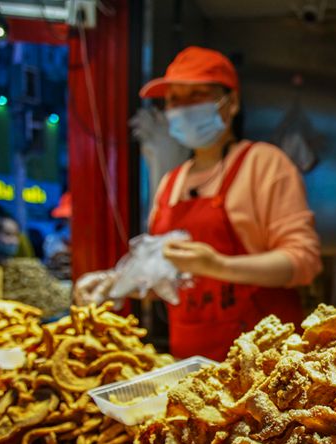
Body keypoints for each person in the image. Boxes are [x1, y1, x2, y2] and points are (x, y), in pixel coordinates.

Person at [75, 46, 322, 360]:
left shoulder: (264, 163)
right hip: (189, 362)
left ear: (231, 104)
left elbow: (304, 262)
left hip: (266, 361)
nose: (181, 108)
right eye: (174, 99)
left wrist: (219, 266)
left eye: (197, 96)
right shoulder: (171, 182)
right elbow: (167, 276)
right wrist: (115, 284)